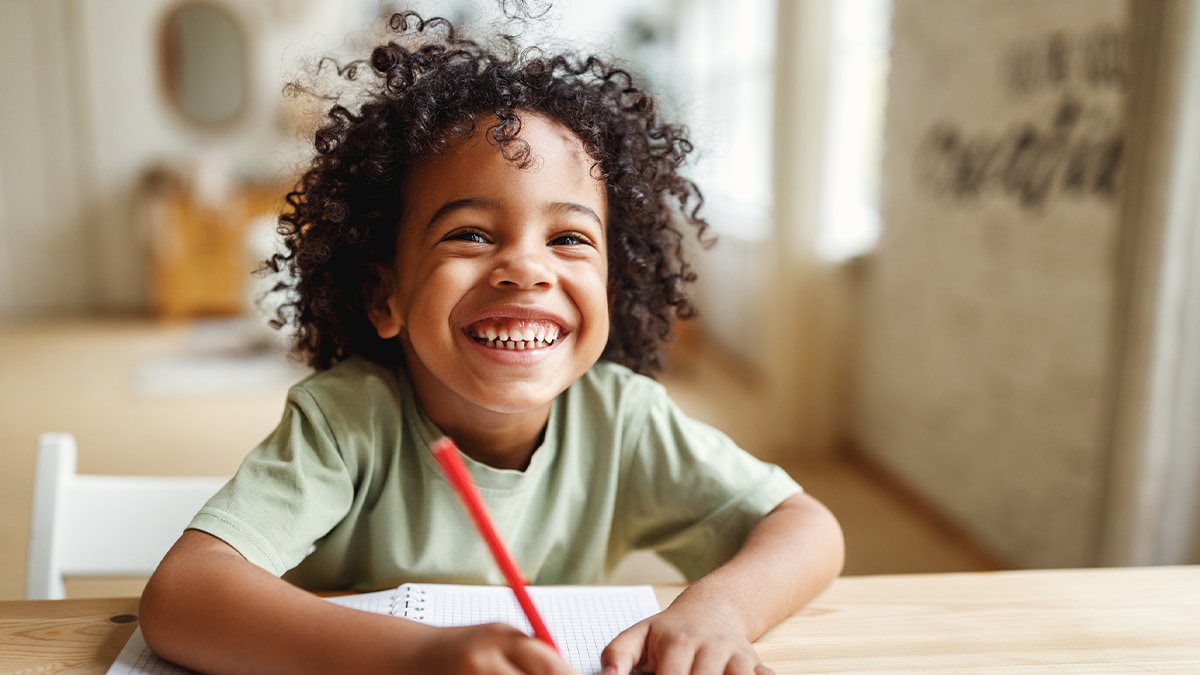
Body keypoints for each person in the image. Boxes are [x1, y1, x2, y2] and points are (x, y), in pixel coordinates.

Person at [140, 10, 844, 675]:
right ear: (386, 295)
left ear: (611, 284)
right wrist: (417, 659)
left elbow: (807, 528)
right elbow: (181, 596)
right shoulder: (345, 422)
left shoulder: (623, 420)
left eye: (569, 239)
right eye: (471, 234)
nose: (527, 269)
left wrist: (718, 609)